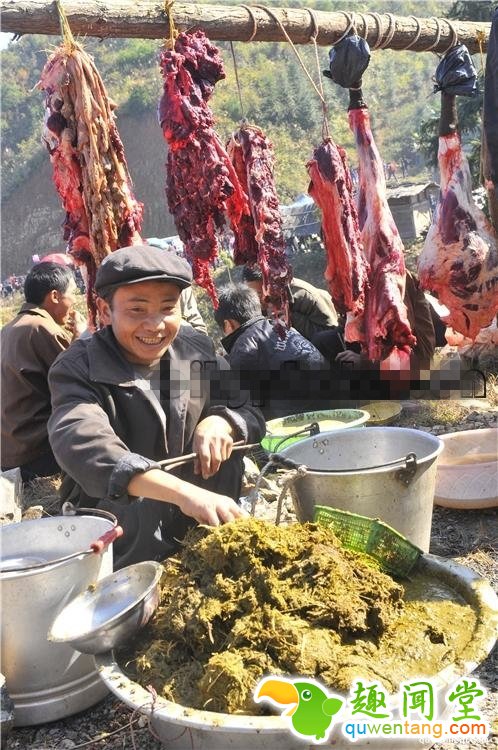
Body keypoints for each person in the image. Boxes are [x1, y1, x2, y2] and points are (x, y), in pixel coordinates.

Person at [47, 245, 265, 568]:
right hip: (122, 535)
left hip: (192, 520)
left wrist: (221, 422)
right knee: (127, 496)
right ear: (105, 311)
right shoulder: (79, 368)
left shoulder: (193, 352)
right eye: (137, 310)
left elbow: (248, 410)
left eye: (167, 307)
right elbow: (86, 446)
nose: (155, 325)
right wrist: (183, 493)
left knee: (227, 449)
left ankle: (207, 556)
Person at [1, 262, 83, 482]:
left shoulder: (9, 329)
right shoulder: (41, 328)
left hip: (10, 451)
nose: (75, 300)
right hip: (36, 454)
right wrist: (83, 339)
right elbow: (79, 379)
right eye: (73, 293)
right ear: (55, 296)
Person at [214, 284, 328, 418]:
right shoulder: (282, 326)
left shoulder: (243, 350)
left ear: (228, 324)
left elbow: (248, 410)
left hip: (298, 422)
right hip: (330, 400)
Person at [242, 265, 338, 342]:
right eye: (252, 294)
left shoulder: (303, 295)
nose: (259, 299)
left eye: (260, 293)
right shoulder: (252, 302)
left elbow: (332, 335)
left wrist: (290, 318)